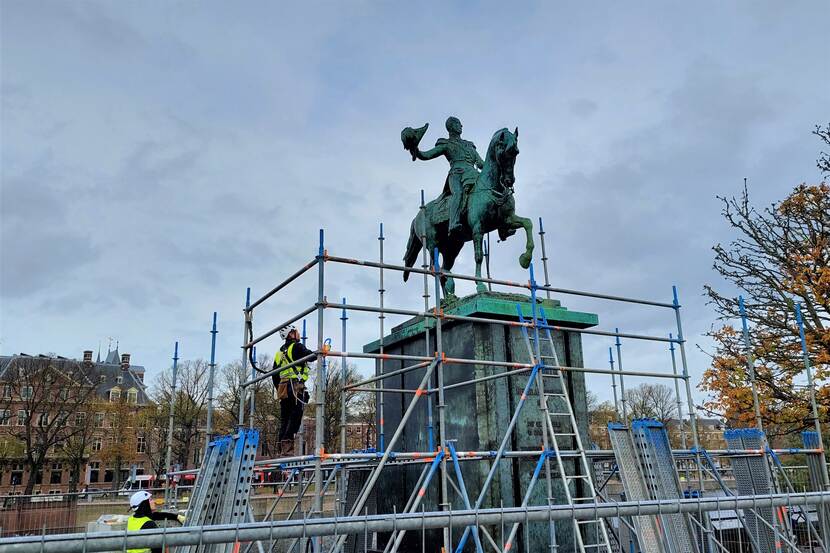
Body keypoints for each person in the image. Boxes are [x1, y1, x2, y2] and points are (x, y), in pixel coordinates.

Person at [408, 116, 484, 236]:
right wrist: (415, 150)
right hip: (457, 175)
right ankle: (453, 223)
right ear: (452, 127)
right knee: (458, 193)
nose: (461, 126)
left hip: (473, 174)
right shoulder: (446, 144)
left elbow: (481, 164)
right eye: (458, 123)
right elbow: (426, 155)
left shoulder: (469, 145)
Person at [273, 325, 314, 456]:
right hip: (295, 386)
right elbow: (310, 356)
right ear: (290, 334)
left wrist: (279, 389)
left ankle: (281, 448)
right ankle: (287, 449)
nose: (298, 334)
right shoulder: (297, 347)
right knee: (296, 416)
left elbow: (275, 375)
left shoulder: (279, 353)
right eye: (295, 332)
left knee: (285, 418)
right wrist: (321, 352)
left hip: (283, 387)